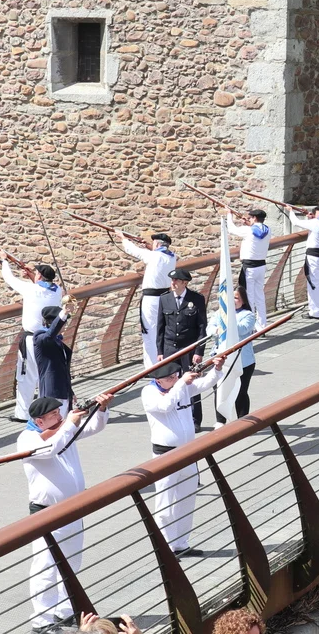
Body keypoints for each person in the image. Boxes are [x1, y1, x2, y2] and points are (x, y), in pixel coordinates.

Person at [20, 392, 115, 631]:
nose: (60, 416)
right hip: (47, 512)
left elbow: (93, 427)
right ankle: (42, 620)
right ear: (39, 421)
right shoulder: (27, 438)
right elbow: (49, 449)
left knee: (72, 563)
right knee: (45, 568)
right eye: (53, 414)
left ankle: (64, 611)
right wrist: (70, 424)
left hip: (72, 508)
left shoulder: (63, 429)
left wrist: (101, 409)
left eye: (59, 412)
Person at [141, 356, 225, 557]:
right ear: (158, 380)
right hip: (165, 455)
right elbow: (165, 406)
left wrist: (217, 369)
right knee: (165, 503)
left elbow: (205, 384)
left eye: (175, 376)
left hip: (187, 452)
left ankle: (181, 543)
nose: (174, 379)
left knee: (187, 499)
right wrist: (181, 383)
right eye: (169, 378)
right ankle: (165, 548)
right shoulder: (149, 392)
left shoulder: (180, 387)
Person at [1, 260, 63, 422]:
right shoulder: (58, 290)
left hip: (32, 339)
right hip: (50, 338)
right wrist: (31, 274)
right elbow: (42, 288)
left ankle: (23, 414)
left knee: (26, 377)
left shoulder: (30, 289)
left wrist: (4, 260)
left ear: (40, 276)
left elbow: (9, 278)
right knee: (45, 376)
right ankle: (48, 412)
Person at [156, 268, 208, 425]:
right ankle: (174, 415)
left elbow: (201, 328)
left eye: (176, 280)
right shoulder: (165, 299)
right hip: (170, 348)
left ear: (184, 283)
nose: (172, 283)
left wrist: (199, 351)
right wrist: (160, 351)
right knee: (169, 382)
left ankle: (195, 419)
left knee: (191, 381)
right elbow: (160, 327)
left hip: (188, 349)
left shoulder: (196, 299)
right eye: (172, 280)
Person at [122, 232, 178, 366]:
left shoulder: (154, 256)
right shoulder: (172, 257)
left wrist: (123, 238)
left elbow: (133, 250)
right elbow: (159, 254)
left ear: (157, 244)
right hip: (165, 297)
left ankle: (152, 367)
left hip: (151, 300)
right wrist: (148, 246)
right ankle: (164, 363)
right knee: (162, 331)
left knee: (149, 333)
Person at [217, 286, 257, 423]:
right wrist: (216, 329)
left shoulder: (248, 315)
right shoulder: (220, 313)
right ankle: (220, 422)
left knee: (240, 392)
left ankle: (243, 421)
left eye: (236, 298)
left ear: (243, 300)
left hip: (243, 361)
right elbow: (210, 328)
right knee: (221, 392)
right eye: (231, 297)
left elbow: (242, 329)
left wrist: (228, 319)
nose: (232, 300)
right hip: (223, 359)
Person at [290, 205, 319, 319]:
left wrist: (291, 211)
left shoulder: (315, 223)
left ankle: (315, 312)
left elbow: (295, 222)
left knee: (313, 283)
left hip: (313, 256)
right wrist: (312, 217)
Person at [227, 208, 272, 329]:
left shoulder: (248, 230)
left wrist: (229, 214)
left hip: (249, 267)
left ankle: (251, 326)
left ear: (254, 218)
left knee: (248, 297)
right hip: (261, 265)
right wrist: (248, 224)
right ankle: (262, 325)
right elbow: (257, 231)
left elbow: (231, 229)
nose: (249, 219)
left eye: (250, 218)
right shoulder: (267, 230)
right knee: (259, 296)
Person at [33, 302, 75, 413]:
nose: (65, 326)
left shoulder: (58, 341)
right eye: (64, 323)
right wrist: (63, 313)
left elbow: (64, 370)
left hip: (63, 391)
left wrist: (70, 392)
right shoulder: (40, 338)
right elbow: (49, 335)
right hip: (52, 392)